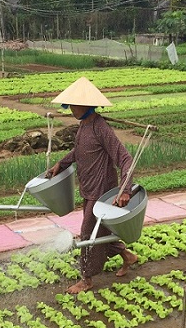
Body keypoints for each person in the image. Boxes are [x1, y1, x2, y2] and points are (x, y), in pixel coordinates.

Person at [46, 77, 139, 294]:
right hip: (89, 188)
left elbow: (125, 158)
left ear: (87, 105)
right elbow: (80, 151)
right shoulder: (84, 126)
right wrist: (62, 162)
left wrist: (125, 189)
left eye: (74, 105)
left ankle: (86, 279)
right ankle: (128, 256)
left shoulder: (100, 127)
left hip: (102, 192)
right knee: (102, 230)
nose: (70, 109)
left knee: (88, 232)